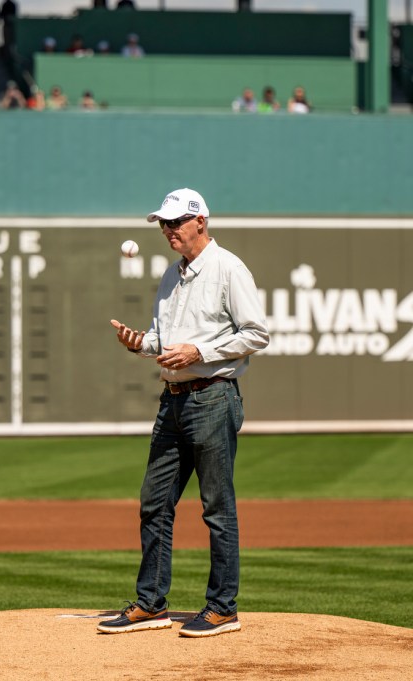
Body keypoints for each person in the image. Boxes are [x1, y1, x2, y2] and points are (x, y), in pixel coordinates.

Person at [101, 187, 269, 638]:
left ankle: (222, 607)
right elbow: (164, 338)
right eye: (163, 222)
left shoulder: (228, 268)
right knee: (154, 502)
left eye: (176, 221)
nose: (168, 229)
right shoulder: (170, 276)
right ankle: (151, 602)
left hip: (213, 397)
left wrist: (200, 349)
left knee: (216, 506)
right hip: (173, 400)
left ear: (201, 221)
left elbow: (257, 334)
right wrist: (142, 342)